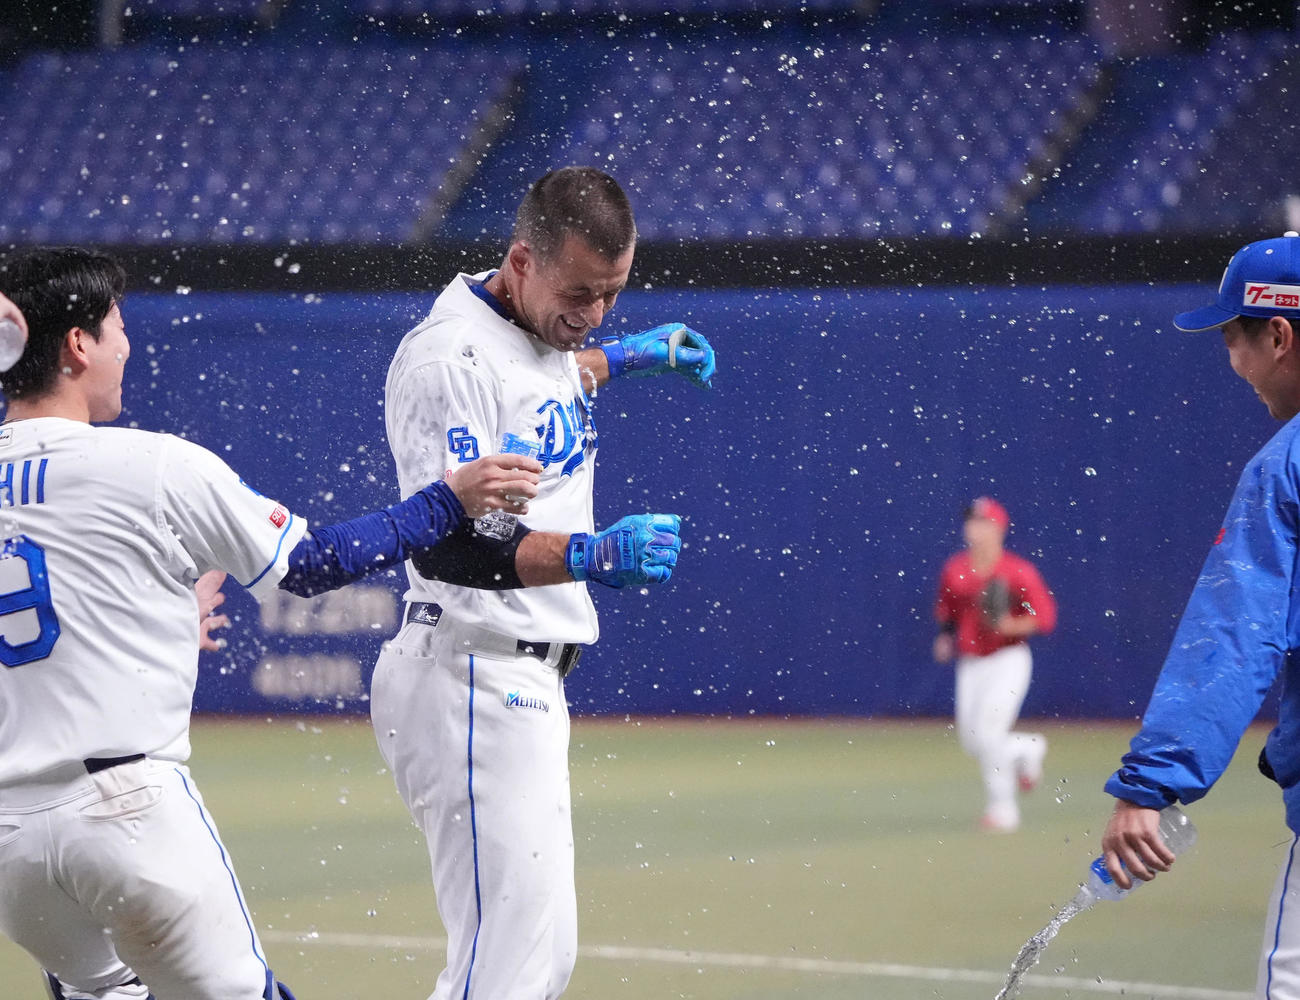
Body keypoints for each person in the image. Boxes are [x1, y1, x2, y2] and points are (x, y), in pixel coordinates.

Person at [0, 244, 589, 1000]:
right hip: (128, 813)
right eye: (115, 327)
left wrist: (166, 618)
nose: (127, 344)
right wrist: (449, 499)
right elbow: (312, 565)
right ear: (76, 345)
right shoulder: (149, 466)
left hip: (12, 844)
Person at [371, 165, 716, 999]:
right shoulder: (447, 358)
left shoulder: (536, 330)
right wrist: (590, 555)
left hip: (516, 676)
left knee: (539, 959)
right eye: (580, 293)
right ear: (521, 261)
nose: (593, 315)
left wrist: (625, 358)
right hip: (471, 669)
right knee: (507, 972)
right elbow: (446, 543)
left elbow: (544, 380)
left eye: (613, 295)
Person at [1099, 232, 1300, 999]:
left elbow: (1237, 636)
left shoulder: (1285, 468)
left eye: (1232, 336)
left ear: (1278, 333)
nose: (1229, 360)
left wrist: (1149, 786)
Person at [933, 496, 1057, 833]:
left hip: (1008, 659)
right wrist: (945, 636)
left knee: (989, 735)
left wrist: (1011, 625)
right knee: (973, 742)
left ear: (999, 528)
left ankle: (1003, 810)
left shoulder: (1017, 571)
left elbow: (1044, 617)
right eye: (971, 521)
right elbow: (949, 609)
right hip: (972, 663)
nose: (973, 528)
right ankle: (1028, 747)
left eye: (982, 522)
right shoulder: (956, 568)